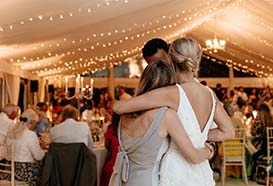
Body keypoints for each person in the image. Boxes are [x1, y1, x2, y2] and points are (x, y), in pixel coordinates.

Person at [112, 37, 234, 185]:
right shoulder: (209, 93)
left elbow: (118, 107)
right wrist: (196, 137)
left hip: (175, 171)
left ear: (171, 58)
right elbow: (228, 131)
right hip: (202, 172)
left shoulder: (171, 93)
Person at [109, 60, 214, 186]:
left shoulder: (124, 114)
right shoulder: (165, 115)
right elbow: (194, 157)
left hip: (121, 180)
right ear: (169, 87)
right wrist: (209, 151)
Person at [5, 108, 45, 186]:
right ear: (32, 122)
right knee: (44, 170)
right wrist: (42, 148)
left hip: (9, 172)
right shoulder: (30, 135)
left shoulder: (11, 132)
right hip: (25, 173)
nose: (35, 126)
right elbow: (38, 157)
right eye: (35, 124)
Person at [100, 113, 120, 186]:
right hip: (123, 165)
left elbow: (106, 146)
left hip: (113, 165)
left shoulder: (111, 129)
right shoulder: (127, 130)